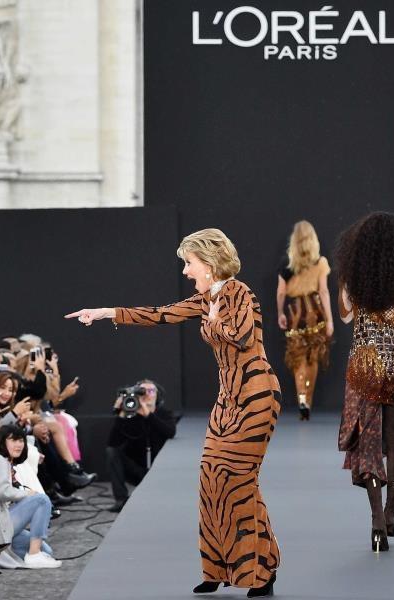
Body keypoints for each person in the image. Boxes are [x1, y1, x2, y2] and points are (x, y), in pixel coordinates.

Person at [66, 228, 280, 597]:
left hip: (256, 396)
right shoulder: (206, 298)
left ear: (209, 264)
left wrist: (214, 322)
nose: (185, 271)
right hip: (228, 399)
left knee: (238, 482)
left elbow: (243, 336)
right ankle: (218, 568)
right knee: (212, 479)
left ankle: (259, 571)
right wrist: (105, 312)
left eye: (189, 263)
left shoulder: (241, 293)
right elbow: (159, 315)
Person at [334, 212, 394, 552]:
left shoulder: (352, 280)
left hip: (364, 372)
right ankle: (392, 510)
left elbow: (345, 316)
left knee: (369, 447)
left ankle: (377, 522)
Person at [0, 425, 60, 569]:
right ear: (2, 441)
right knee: (41, 499)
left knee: (47, 551)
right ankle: (33, 555)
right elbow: (1, 491)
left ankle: (32, 554)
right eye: (13, 440)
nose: (18, 444)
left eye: (21, 440)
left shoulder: (1, 461)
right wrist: (26, 494)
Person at [276, 220, 334, 420]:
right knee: (313, 357)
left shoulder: (286, 263)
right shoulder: (320, 262)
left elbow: (281, 293)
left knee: (298, 358)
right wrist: (330, 320)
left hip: (294, 314)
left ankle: (302, 397)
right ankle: (307, 399)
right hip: (315, 313)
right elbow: (324, 291)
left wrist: (280, 313)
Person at [105, 380, 176, 512]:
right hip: (138, 470)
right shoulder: (131, 415)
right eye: (142, 391)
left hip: (160, 471)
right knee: (112, 452)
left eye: (151, 390)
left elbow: (170, 432)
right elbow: (112, 444)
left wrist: (148, 415)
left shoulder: (164, 413)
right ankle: (121, 500)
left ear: (157, 395)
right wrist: (120, 414)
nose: (147, 394)